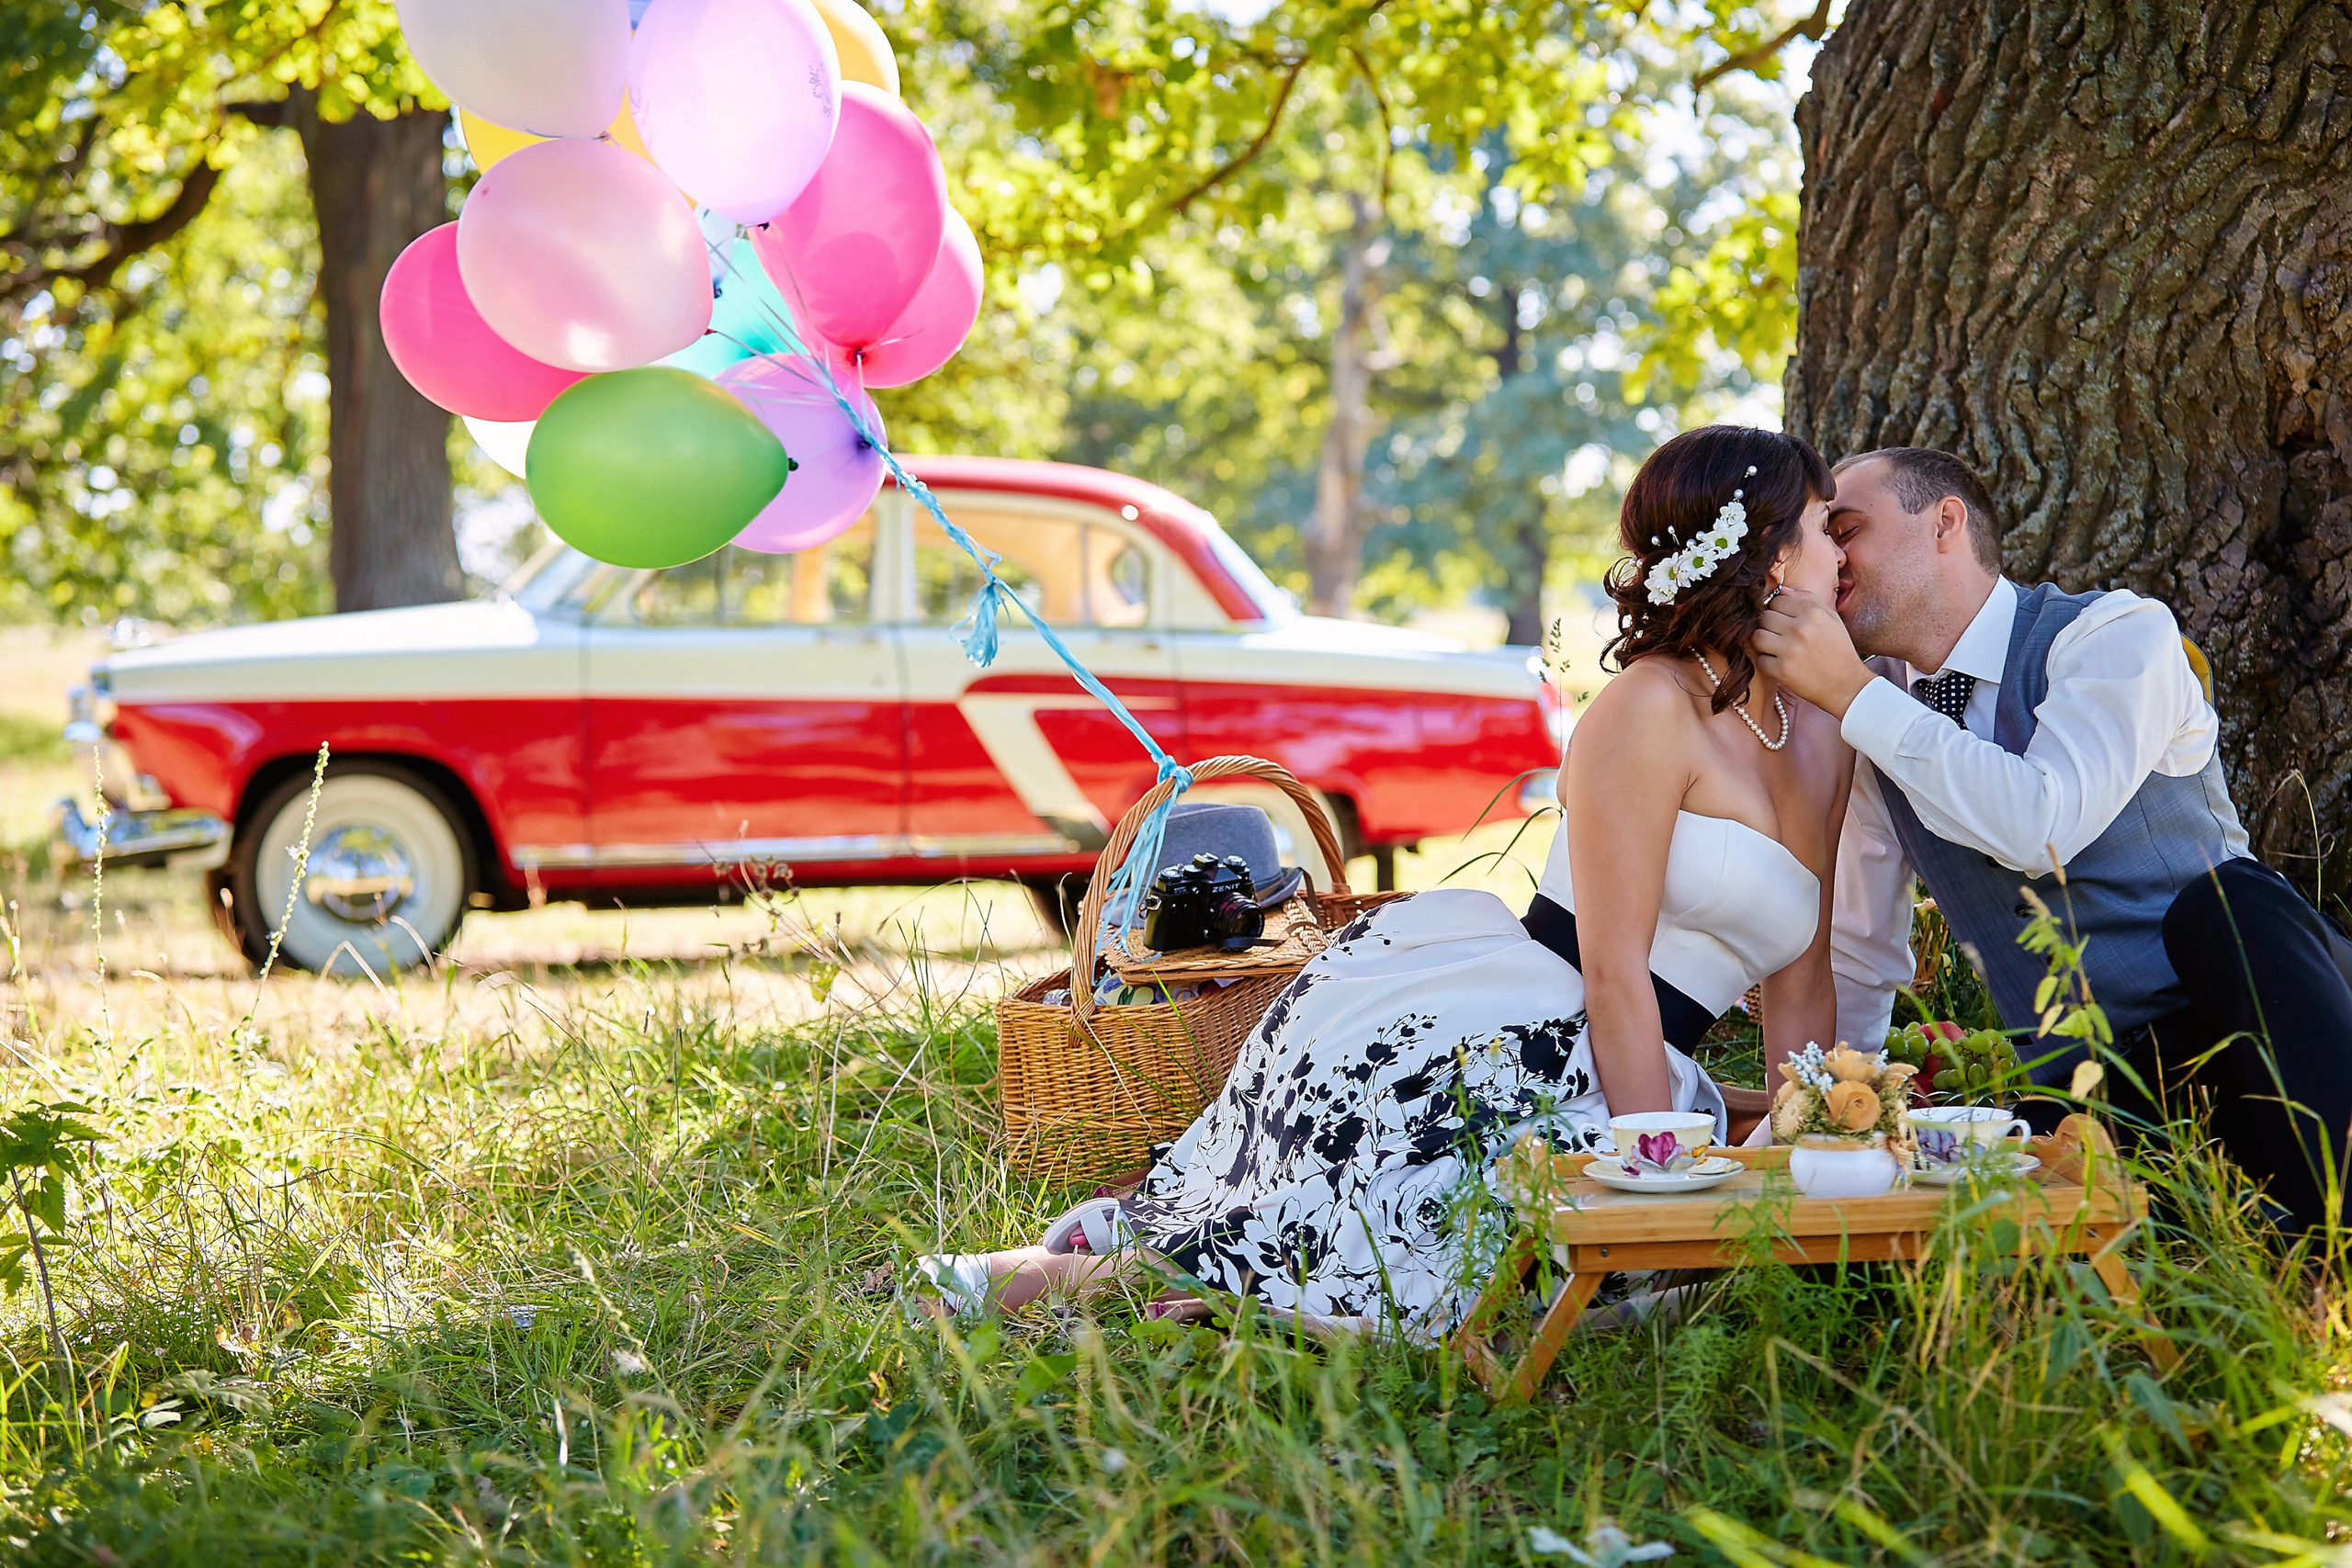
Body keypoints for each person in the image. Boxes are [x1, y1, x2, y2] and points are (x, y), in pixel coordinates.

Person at [909, 425, 1855, 1333]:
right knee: (1399, 1266)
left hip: (1654, 1071)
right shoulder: (1647, 708)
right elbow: (1611, 973)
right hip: (1526, 1042)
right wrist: (1654, 1179)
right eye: (1823, 526)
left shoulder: (1816, 736)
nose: (1839, 553)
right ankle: (1046, 1280)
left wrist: (1810, 1158)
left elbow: (1802, 979)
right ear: (1769, 556)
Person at [1753, 445, 2352, 1231]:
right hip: (2087, 1089)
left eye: (1849, 529)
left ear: (1945, 522)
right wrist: (1832, 1125)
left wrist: (1852, 693)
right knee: (1954, 1238)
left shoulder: (2114, 635)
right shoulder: (1870, 719)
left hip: (2263, 1033)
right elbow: (1862, 953)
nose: (1830, 559)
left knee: (2233, 906)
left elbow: (2044, 824)